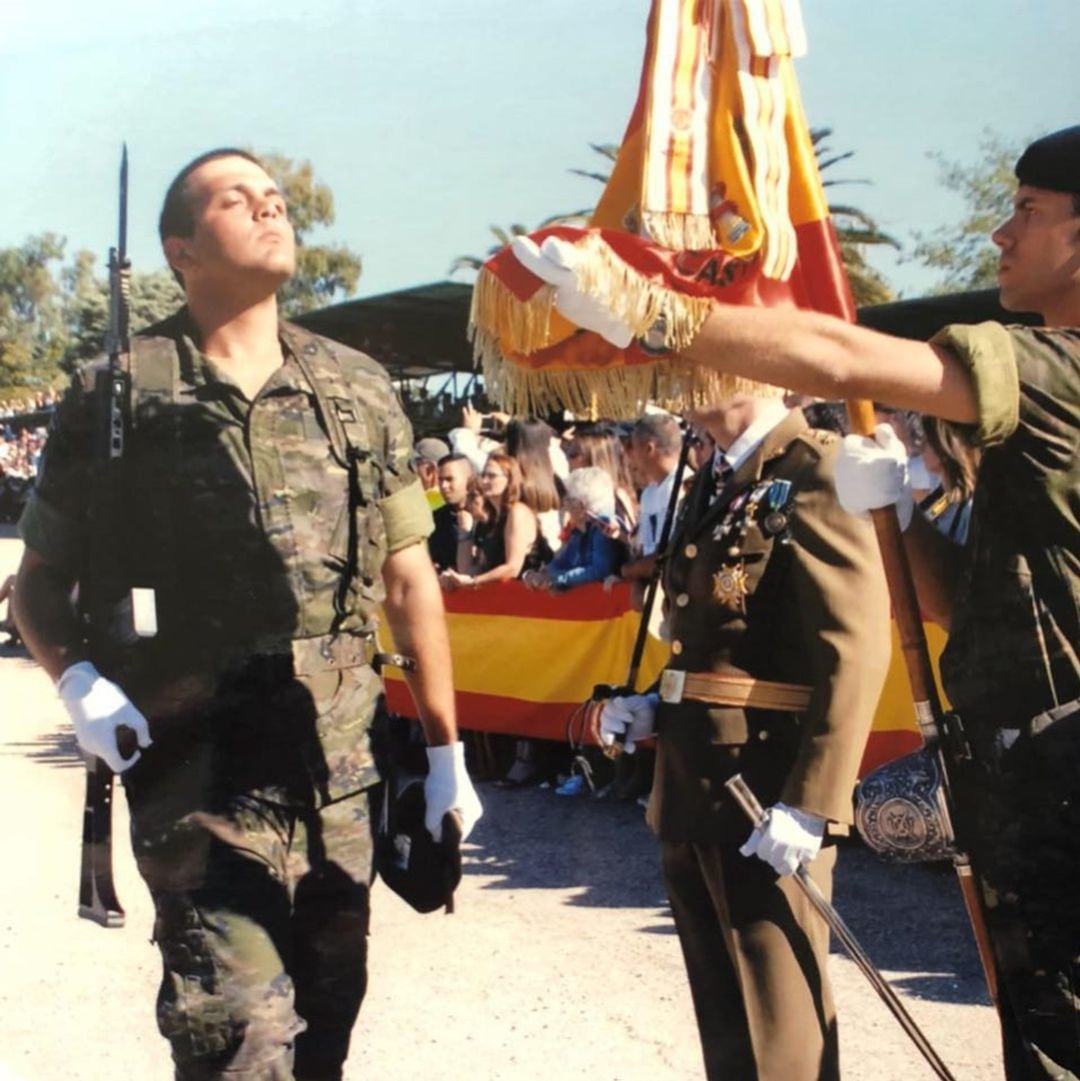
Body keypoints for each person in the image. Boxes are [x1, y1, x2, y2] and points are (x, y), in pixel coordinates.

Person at [513, 125, 1080, 1079]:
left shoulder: (1056, 370)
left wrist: (654, 309)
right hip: (1024, 768)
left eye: (1028, 210)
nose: (999, 232)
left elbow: (839, 355)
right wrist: (896, 515)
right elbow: (949, 607)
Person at [13, 147, 481, 1081]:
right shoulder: (118, 394)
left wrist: (444, 754)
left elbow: (407, 579)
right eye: (238, 200)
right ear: (180, 249)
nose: (270, 208)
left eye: (275, 196)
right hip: (201, 787)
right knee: (238, 1046)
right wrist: (77, 681)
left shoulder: (356, 389)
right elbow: (35, 582)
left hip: (339, 777)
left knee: (325, 1037)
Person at [599, 390, 890, 1080]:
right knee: (727, 1027)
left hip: (765, 787)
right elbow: (711, 639)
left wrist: (814, 800)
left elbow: (855, 645)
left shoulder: (818, 468)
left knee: (779, 1025)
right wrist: (656, 707)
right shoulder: (715, 477)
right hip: (696, 779)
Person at [440, 451, 550, 590]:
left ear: (509, 479)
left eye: (491, 476)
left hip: (530, 595)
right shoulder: (490, 518)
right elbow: (472, 569)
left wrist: (474, 581)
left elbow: (512, 568)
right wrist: (456, 578)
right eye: (483, 475)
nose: (484, 481)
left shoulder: (517, 512)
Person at [522, 466, 623, 592]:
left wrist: (557, 578)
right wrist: (544, 574)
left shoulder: (603, 527)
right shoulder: (580, 529)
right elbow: (565, 560)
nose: (565, 506)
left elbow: (599, 570)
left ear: (580, 506)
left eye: (568, 500)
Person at [429, 452, 473, 571]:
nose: (443, 486)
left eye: (449, 479)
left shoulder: (487, 514)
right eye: (440, 480)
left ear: (469, 479)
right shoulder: (436, 519)